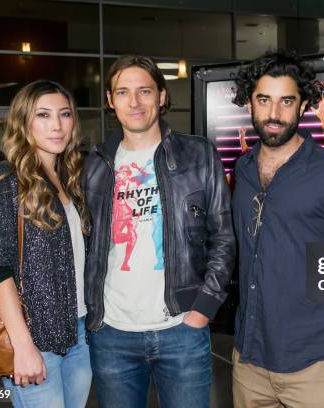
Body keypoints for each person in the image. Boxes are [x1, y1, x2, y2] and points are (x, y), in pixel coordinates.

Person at [83, 55, 235, 408]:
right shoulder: (93, 165)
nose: (134, 102)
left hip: (182, 327)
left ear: (162, 96)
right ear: (110, 100)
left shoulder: (198, 155)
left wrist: (203, 308)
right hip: (111, 333)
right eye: (123, 92)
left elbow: (223, 236)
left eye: (144, 91)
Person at [230, 50, 324, 407]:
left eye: (286, 101)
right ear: (249, 104)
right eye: (264, 100)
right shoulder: (241, 170)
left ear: (304, 105)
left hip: (316, 363)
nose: (274, 114)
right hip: (249, 359)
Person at [0, 80, 92, 408]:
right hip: (34, 338)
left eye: (65, 114)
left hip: (81, 335)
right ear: (23, 122)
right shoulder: (5, 178)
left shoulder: (73, 179)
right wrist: (23, 345)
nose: (56, 125)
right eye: (43, 115)